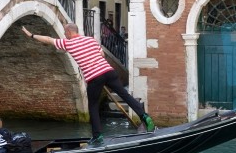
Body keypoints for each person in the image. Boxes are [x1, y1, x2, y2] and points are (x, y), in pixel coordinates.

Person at [21, 23, 155, 145]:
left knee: (93, 106)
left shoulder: (68, 43)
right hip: (108, 71)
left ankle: (97, 136)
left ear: (68, 32)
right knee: (125, 95)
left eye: (65, 32)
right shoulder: (91, 40)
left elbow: (49, 40)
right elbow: (102, 55)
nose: (65, 35)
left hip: (94, 78)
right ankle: (145, 116)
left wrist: (31, 35)